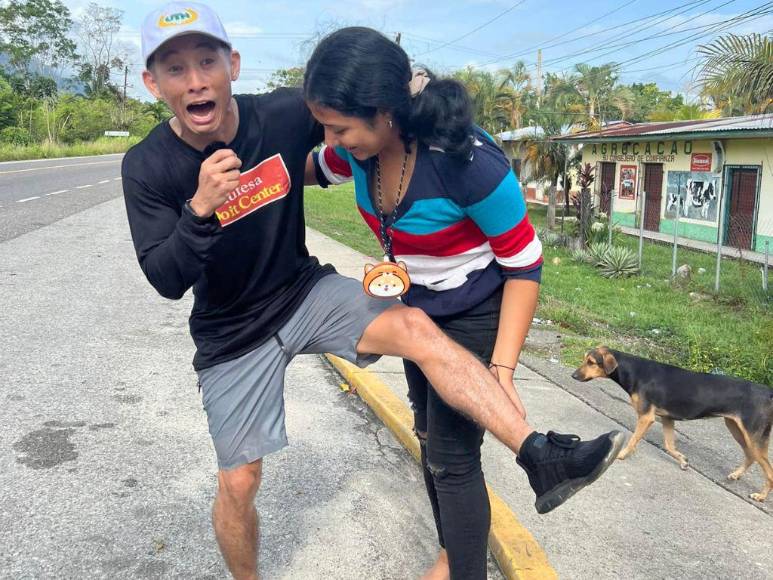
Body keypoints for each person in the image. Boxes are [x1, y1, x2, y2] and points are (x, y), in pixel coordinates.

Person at [123, 4, 623, 579]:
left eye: (206, 62)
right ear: (152, 83)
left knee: (418, 340)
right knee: (240, 480)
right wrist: (199, 210)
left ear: (232, 65)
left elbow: (368, 93)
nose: (195, 80)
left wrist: (502, 368)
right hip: (231, 331)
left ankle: (541, 455)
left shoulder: (293, 114)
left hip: (308, 294)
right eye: (175, 69)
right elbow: (166, 278)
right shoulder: (148, 165)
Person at [304, 27, 609, 579]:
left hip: (476, 311)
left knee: (452, 455)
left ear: (384, 112)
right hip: (415, 313)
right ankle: (453, 553)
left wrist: (502, 369)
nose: (332, 140)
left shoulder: (466, 161)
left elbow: (524, 265)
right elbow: (310, 170)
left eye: (339, 127)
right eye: (325, 126)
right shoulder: (357, 153)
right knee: (428, 436)